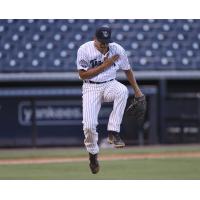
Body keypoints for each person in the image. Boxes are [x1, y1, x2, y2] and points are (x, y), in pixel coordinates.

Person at [76, 26, 144, 174]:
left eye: (106, 42)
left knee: (122, 90)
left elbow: (127, 69)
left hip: (109, 83)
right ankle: (93, 155)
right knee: (89, 126)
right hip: (91, 88)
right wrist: (105, 65)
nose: (104, 45)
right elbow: (83, 75)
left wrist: (138, 92)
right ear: (95, 39)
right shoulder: (84, 49)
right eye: (101, 42)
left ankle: (113, 132)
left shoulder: (117, 49)